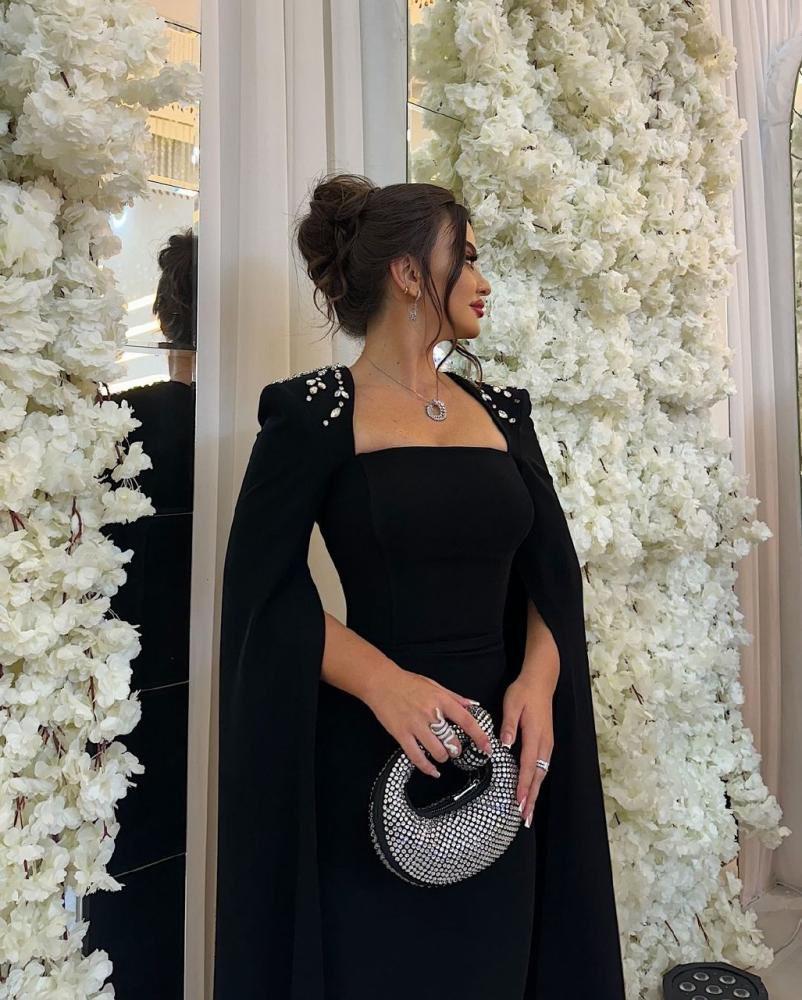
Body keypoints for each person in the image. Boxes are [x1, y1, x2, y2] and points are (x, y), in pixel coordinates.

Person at [213, 173, 626, 999]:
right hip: (375, 753)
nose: (481, 279)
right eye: (463, 258)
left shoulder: (503, 413)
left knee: (498, 969)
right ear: (408, 273)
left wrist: (539, 683)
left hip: (503, 760)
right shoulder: (313, 413)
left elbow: (552, 577)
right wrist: (387, 684)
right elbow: (263, 591)